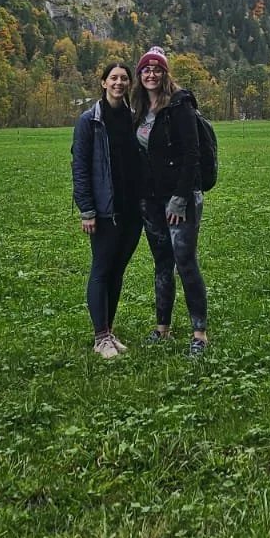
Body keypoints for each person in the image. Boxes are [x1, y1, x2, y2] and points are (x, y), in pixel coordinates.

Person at [132, 45, 209, 355]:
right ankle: (162, 328)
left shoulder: (179, 105)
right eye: (146, 70)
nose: (151, 74)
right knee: (162, 264)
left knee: (185, 262)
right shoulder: (138, 108)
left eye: (157, 69)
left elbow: (193, 154)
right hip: (150, 199)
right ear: (140, 75)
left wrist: (179, 197)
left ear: (165, 74)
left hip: (181, 199)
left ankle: (199, 334)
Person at [71, 61, 144, 359]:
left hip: (132, 210)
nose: (119, 83)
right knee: (102, 269)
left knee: (117, 271)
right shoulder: (89, 121)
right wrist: (86, 210)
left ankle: (109, 332)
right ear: (103, 83)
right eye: (113, 78)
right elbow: (80, 168)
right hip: (104, 210)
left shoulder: (133, 119)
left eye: (124, 79)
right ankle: (100, 337)